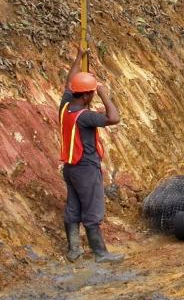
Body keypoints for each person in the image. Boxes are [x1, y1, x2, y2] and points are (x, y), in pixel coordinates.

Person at [60, 46, 123, 263]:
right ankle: (100, 253)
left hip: (70, 168)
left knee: (73, 207)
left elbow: (70, 82)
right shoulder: (85, 116)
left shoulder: (65, 106)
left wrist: (79, 57)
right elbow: (113, 118)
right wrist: (104, 94)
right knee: (92, 211)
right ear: (86, 95)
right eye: (92, 93)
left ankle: (73, 250)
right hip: (86, 168)